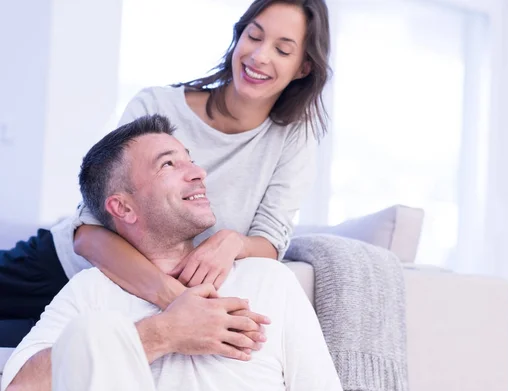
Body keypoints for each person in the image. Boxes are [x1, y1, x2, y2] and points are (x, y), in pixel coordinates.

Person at [0, 0, 331, 346]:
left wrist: (233, 242)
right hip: (59, 269)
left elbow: (271, 240)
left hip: (118, 307)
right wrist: (175, 301)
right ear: (239, 36)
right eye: (254, 36)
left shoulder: (294, 137)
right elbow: (87, 232)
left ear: (303, 67)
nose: (260, 56)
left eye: (282, 49)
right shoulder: (156, 106)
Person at [1, 115, 345, 391]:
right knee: (96, 331)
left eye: (190, 159)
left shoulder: (268, 281)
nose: (198, 172)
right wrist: (164, 333)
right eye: (168, 164)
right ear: (123, 207)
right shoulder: (90, 291)